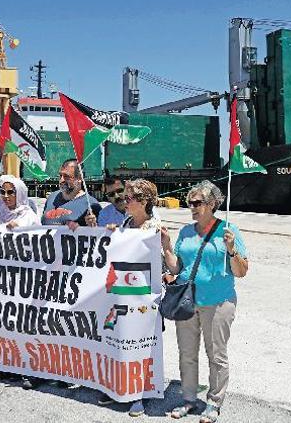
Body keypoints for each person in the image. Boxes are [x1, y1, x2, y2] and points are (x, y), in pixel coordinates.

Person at [161, 180, 249, 423]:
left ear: (212, 204)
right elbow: (177, 267)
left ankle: (213, 403)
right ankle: (189, 399)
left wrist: (231, 250)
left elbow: (241, 271)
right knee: (187, 353)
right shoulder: (186, 232)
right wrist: (167, 248)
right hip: (188, 302)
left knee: (216, 355)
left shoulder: (229, 231)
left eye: (197, 202)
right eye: (190, 202)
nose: (192, 207)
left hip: (219, 302)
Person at [97, 178, 163, 416]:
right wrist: (114, 235)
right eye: (124, 197)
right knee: (118, 339)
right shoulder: (125, 222)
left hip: (143, 297)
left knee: (142, 345)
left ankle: (139, 395)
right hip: (121, 294)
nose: (124, 201)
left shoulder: (154, 227)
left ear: (144, 201)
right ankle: (117, 386)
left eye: (129, 198)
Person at [41, 159, 101, 229]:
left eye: (66, 176)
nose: (61, 180)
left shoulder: (91, 204)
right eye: (60, 176)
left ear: (79, 178)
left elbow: (99, 235)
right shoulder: (52, 198)